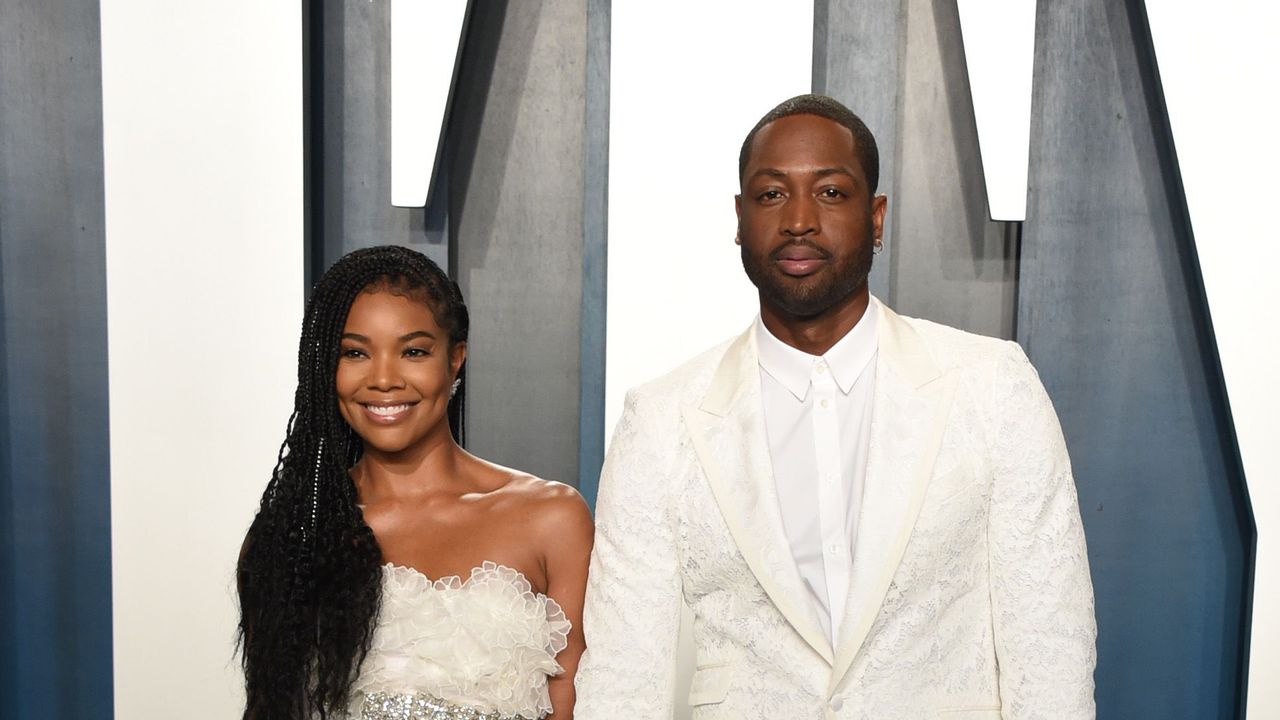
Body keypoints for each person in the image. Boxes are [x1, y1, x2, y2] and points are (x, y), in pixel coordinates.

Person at [574, 95, 1096, 719]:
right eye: (771, 195)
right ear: (739, 218)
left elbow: (1049, 640)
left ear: (876, 217)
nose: (799, 220)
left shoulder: (991, 387)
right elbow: (624, 672)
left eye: (829, 193)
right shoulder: (661, 419)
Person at [237, 245, 593, 720]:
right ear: (327, 367)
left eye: (413, 351)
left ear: (455, 360)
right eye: (355, 352)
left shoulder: (551, 518)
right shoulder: (295, 531)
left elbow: (571, 703)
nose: (384, 378)